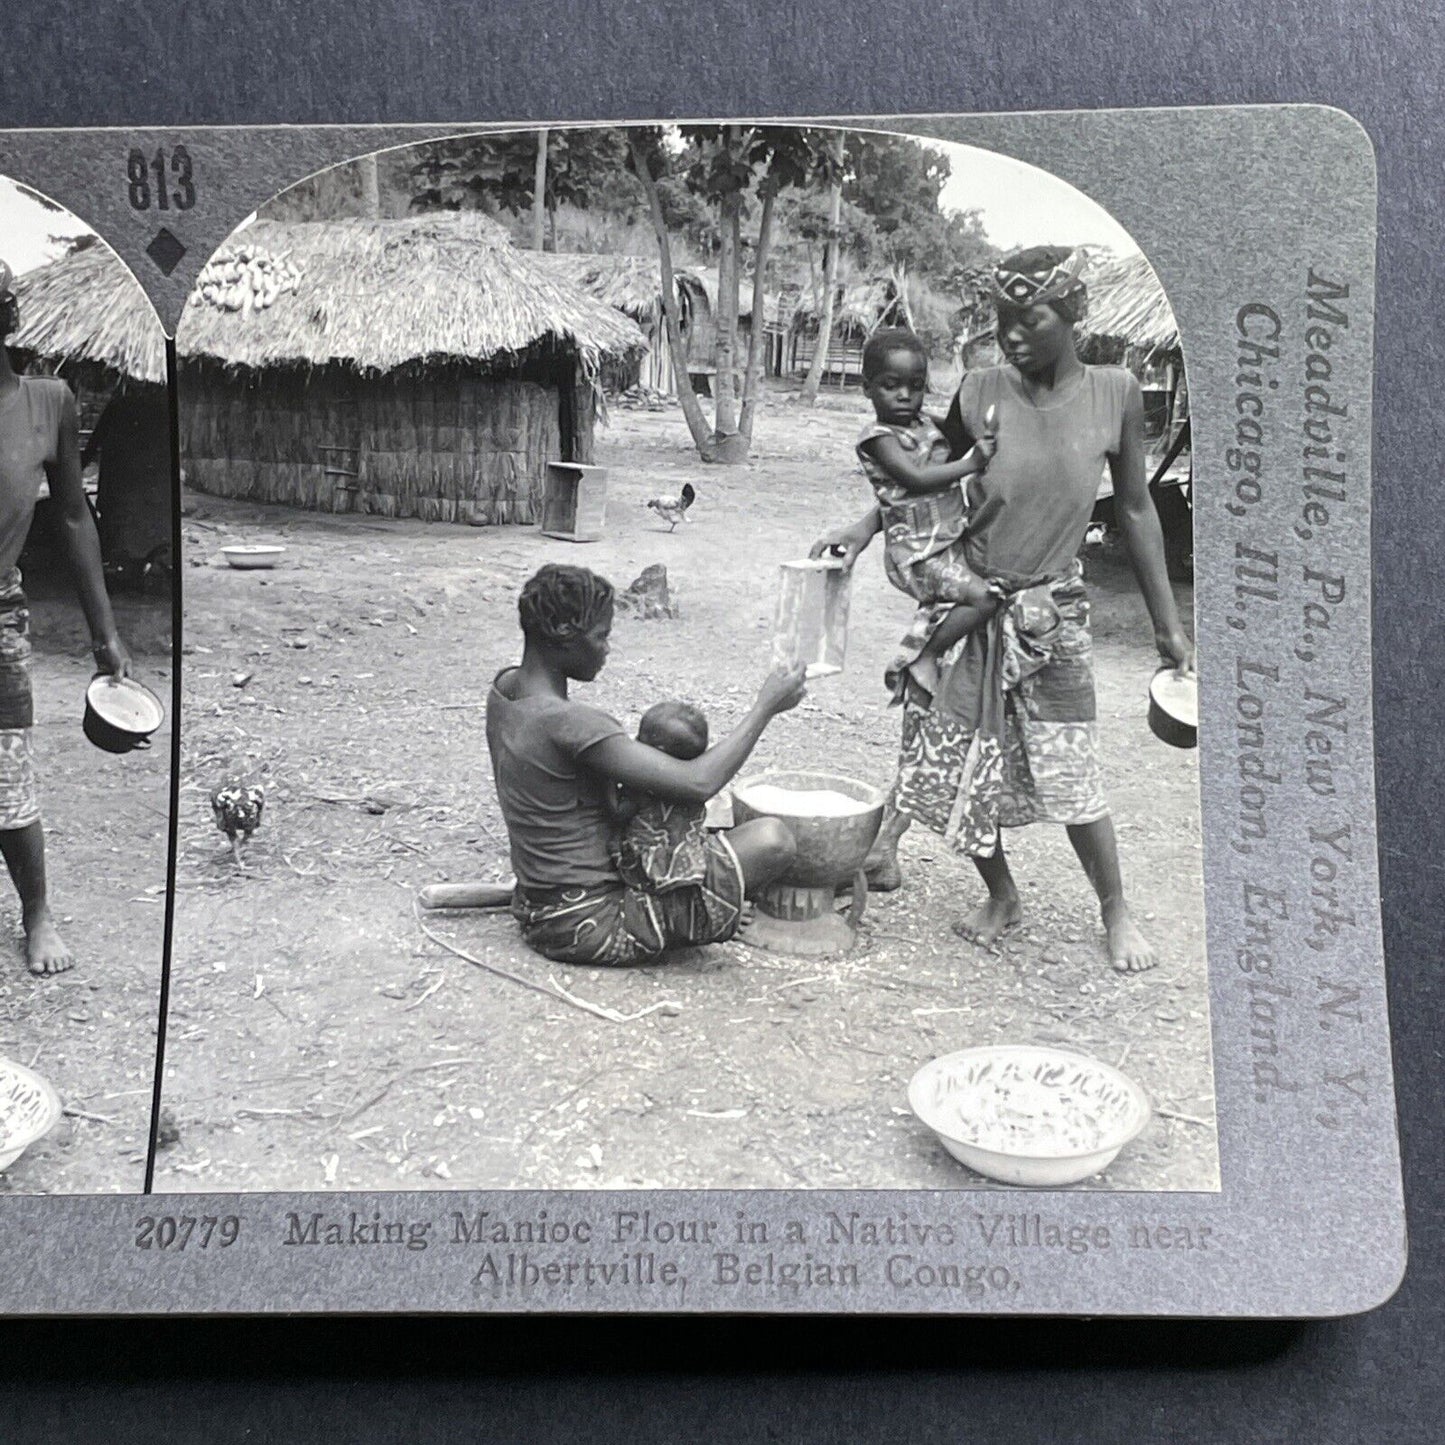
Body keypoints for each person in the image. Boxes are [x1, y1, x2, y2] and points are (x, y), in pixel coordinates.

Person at [813, 245, 1194, 974]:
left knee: (1071, 767)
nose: (1011, 333)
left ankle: (1114, 907)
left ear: (1071, 314)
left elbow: (1139, 511)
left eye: (1029, 318)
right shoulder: (980, 388)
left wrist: (1166, 625)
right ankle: (1001, 893)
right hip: (971, 597)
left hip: (1052, 612)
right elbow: (916, 480)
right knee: (958, 764)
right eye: (1002, 319)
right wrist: (861, 532)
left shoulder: (1115, 392)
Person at [486, 563, 805, 967]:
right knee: (773, 840)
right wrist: (766, 707)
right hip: (595, 923)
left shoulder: (505, 690)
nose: (606, 649)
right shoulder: (568, 724)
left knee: (692, 824)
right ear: (565, 636)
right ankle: (695, 918)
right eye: (601, 636)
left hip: (539, 907)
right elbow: (698, 782)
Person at [0, 259, 132, 975]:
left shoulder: (47, 404)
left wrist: (105, 633)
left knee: (7, 775)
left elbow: (75, 520)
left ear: (6, 319)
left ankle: (37, 911)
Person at [855, 328, 1001, 684]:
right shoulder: (879, 439)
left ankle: (922, 645)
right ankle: (924, 657)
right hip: (919, 555)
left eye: (916, 385)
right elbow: (914, 481)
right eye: (891, 385)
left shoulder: (924, 424)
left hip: (946, 541)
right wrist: (972, 463)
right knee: (985, 599)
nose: (905, 395)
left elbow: (957, 429)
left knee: (968, 594)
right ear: (868, 388)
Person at [612, 700, 714, 898]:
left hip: (647, 868)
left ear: (657, 752)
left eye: (639, 739)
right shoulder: (693, 779)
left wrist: (606, 783)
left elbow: (617, 813)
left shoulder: (640, 786)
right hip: (690, 861)